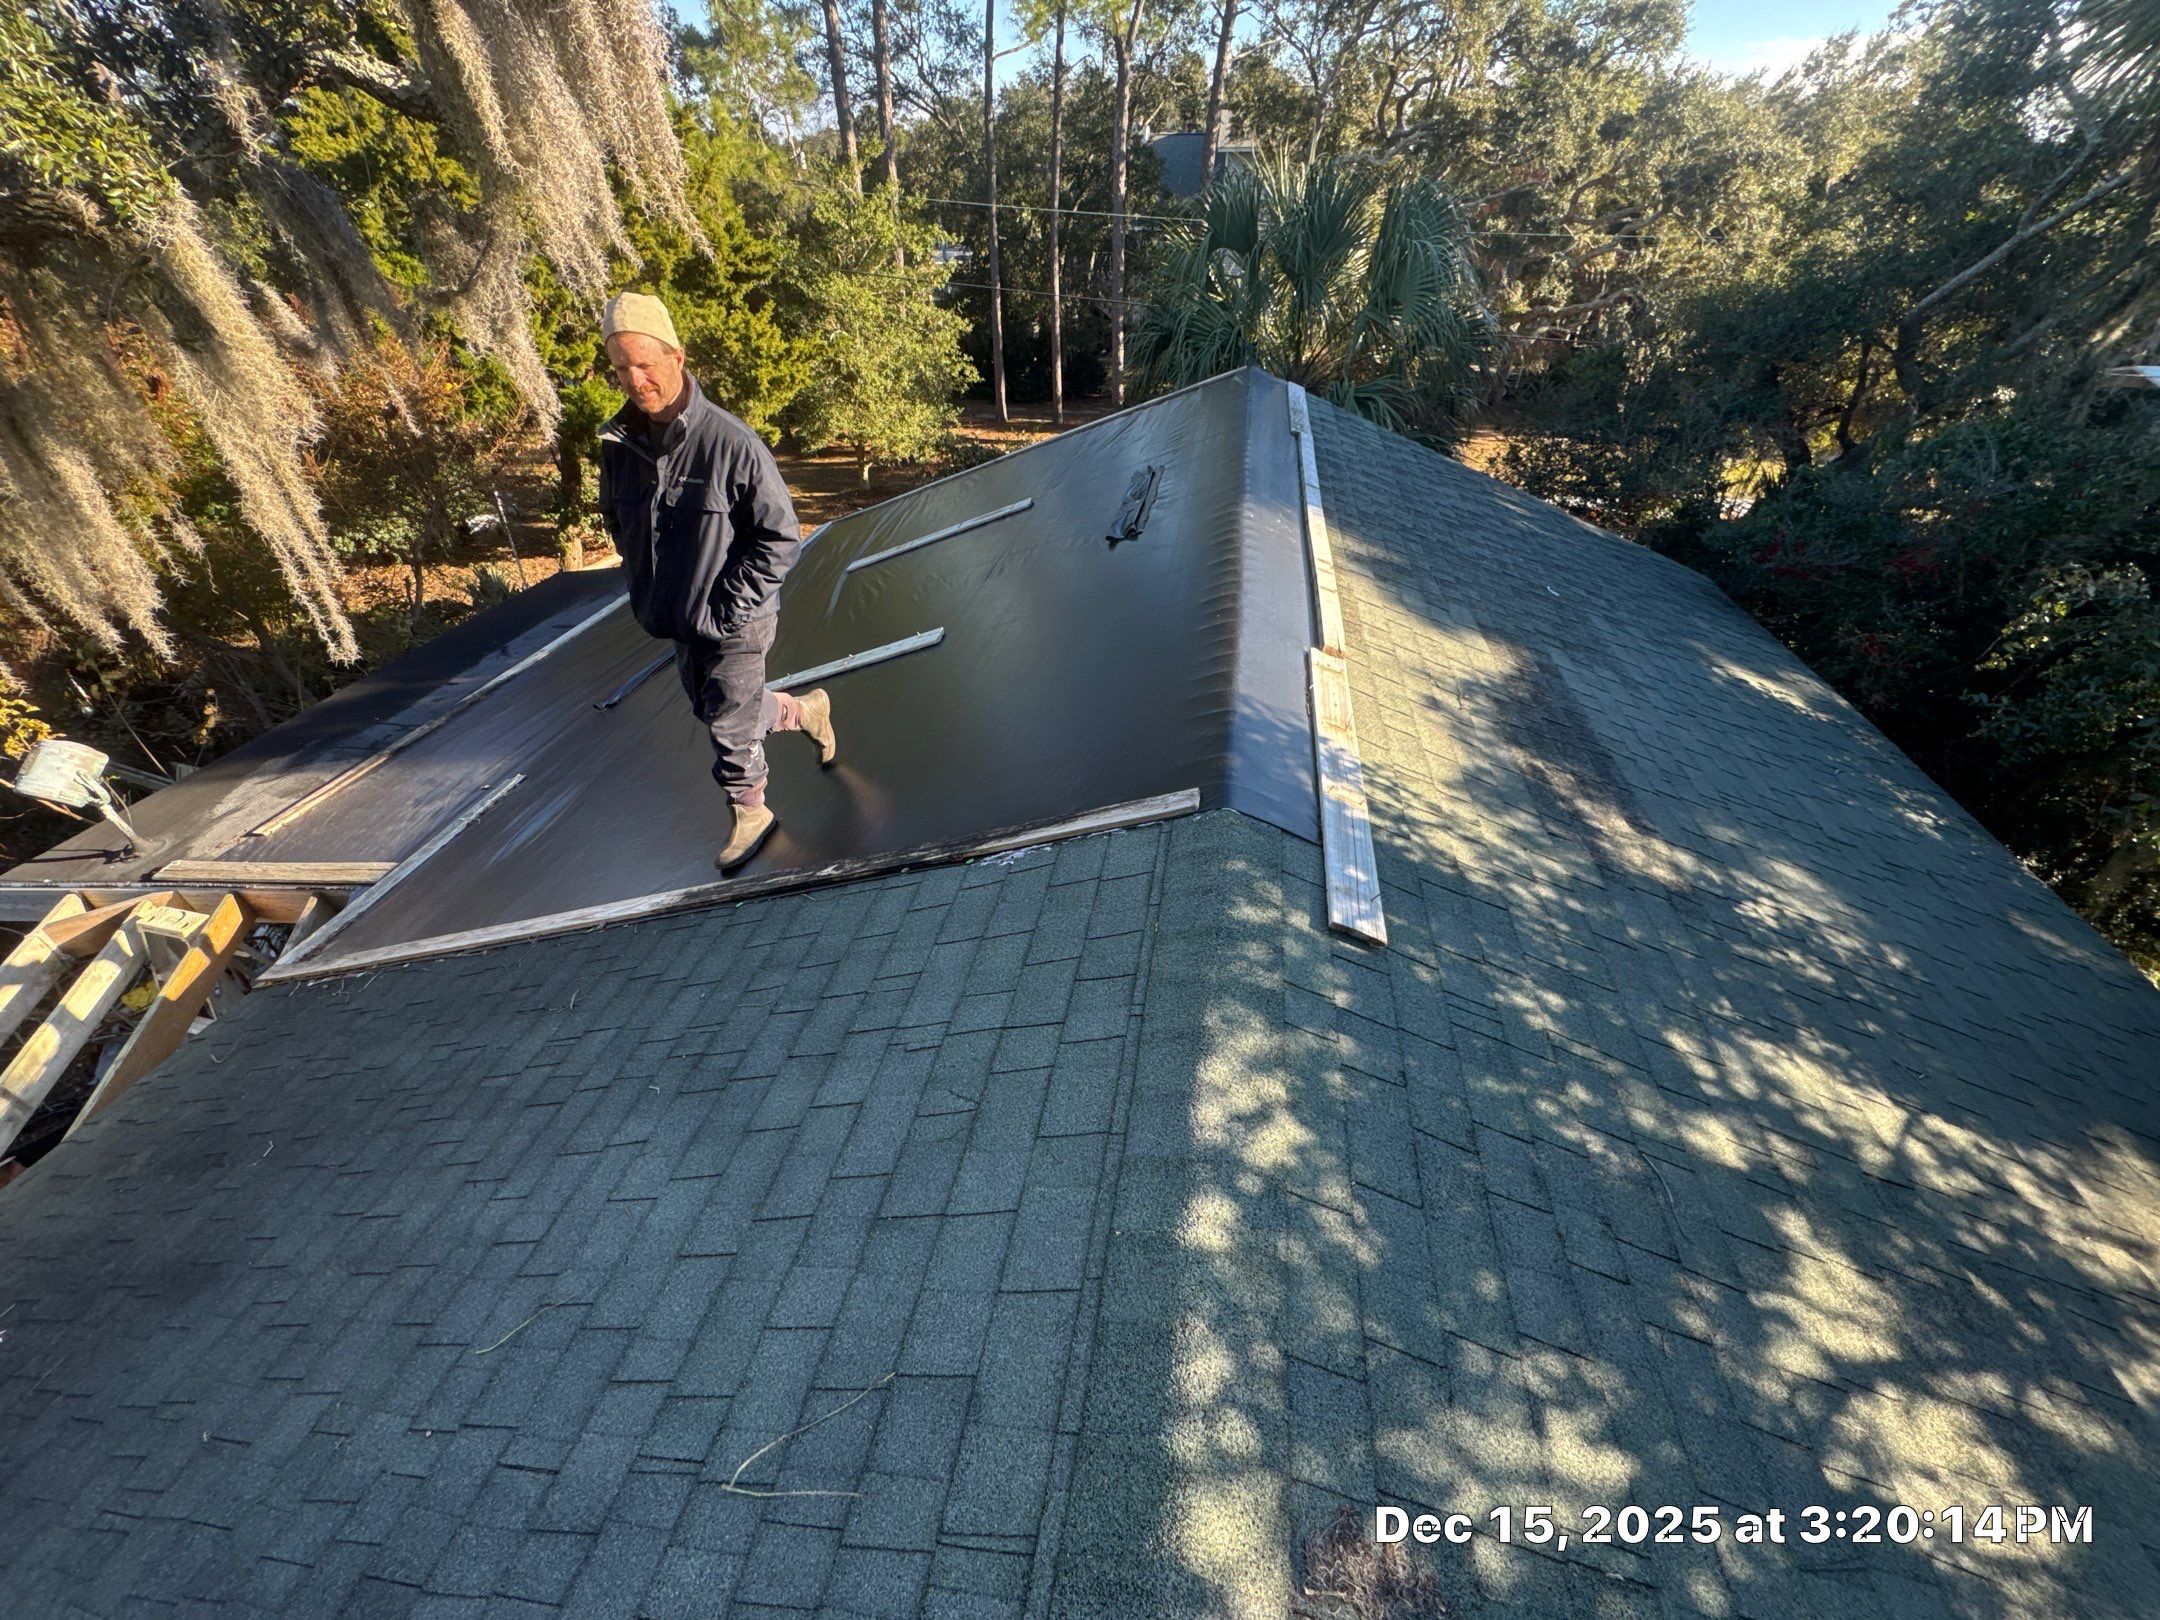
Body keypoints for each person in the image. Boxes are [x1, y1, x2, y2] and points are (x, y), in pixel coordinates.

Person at [595, 292, 837, 869]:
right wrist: (643, 584)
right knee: (717, 707)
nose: (634, 380)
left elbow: (780, 536)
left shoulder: (730, 443)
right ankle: (805, 712)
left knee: (729, 720)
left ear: (676, 357)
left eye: (644, 364)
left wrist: (727, 609)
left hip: (736, 618)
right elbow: (619, 523)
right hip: (676, 616)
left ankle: (751, 808)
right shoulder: (620, 447)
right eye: (622, 368)